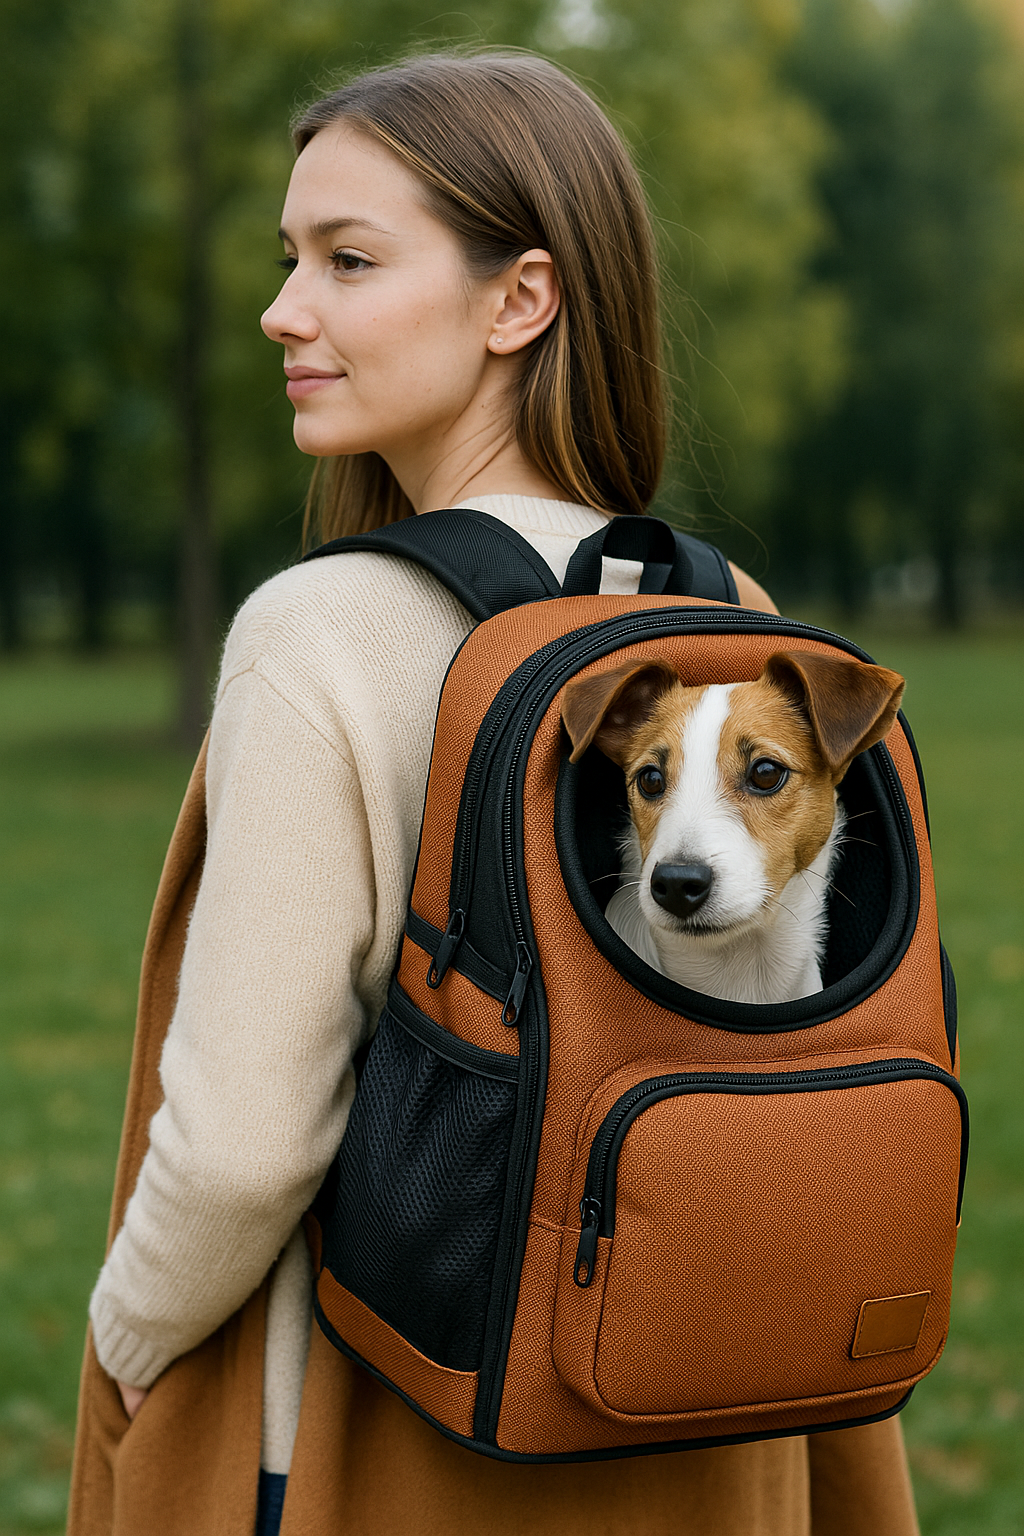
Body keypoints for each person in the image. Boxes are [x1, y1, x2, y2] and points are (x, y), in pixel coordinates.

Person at [70, 49, 921, 1536]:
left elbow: (241, 1148)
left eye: (346, 259)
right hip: (709, 1415)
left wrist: (129, 1332)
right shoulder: (732, 619)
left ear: (519, 301)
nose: (284, 310)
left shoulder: (318, 634)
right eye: (288, 261)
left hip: (401, 1436)